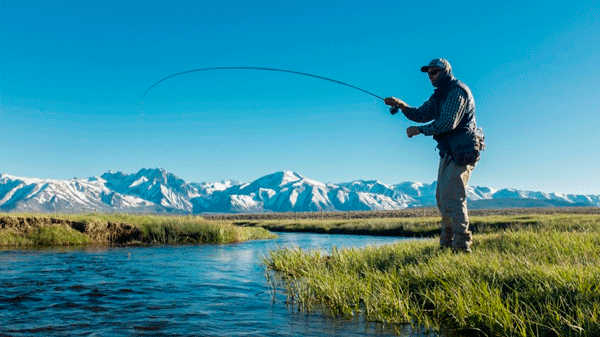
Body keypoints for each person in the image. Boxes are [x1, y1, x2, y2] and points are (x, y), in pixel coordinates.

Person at [384, 58, 483, 253]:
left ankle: (462, 246)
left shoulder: (457, 91)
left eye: (435, 72)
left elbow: (448, 123)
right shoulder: (438, 96)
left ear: (446, 71)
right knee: (441, 197)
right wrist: (402, 105)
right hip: (449, 150)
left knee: (453, 197)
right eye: (429, 73)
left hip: (464, 150)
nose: (431, 76)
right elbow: (421, 114)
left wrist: (419, 131)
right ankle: (446, 244)